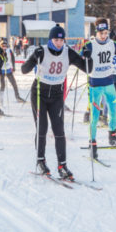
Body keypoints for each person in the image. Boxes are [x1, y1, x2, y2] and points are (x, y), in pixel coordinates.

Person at [21, 25, 87, 179]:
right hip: (39, 93)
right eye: (56, 40)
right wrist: (33, 58)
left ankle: (62, 165)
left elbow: (87, 68)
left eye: (61, 40)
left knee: (59, 131)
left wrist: (87, 57)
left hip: (57, 95)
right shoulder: (42, 51)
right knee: (42, 128)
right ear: (51, 39)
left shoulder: (68, 52)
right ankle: (41, 161)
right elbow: (24, 70)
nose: (59, 43)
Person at [81, 18, 116, 158]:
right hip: (95, 85)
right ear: (96, 32)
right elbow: (79, 60)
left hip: (109, 83)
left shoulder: (113, 44)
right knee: (95, 115)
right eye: (101, 33)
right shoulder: (90, 45)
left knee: (113, 111)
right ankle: (92, 142)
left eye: (106, 33)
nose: (104, 36)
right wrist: (84, 57)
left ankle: (112, 136)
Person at [0, 39, 24, 103]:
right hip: (1, 71)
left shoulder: (9, 50)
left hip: (8, 70)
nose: (4, 47)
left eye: (5, 45)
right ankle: (0, 98)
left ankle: (17, 96)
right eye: (3, 45)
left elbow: (12, 59)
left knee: (14, 84)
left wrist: (13, 67)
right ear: (0, 46)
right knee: (2, 85)